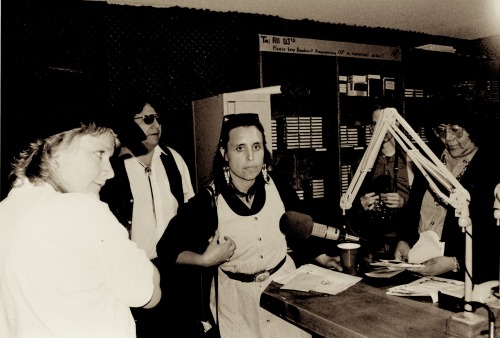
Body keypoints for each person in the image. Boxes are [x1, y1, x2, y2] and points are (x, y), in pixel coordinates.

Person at [159, 113, 342, 338]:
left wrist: (323, 258)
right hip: (237, 301)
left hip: (283, 289)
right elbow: (166, 248)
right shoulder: (208, 201)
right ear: (224, 153)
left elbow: (296, 230)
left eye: (257, 147)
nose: (250, 157)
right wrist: (204, 260)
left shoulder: (280, 187)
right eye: (240, 148)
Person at [0, 122, 160, 338]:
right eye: (99, 153)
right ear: (54, 150)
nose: (110, 172)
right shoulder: (83, 210)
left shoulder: (7, 210)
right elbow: (149, 295)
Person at [99, 97, 195, 337]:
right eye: (148, 119)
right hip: (135, 272)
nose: (156, 126)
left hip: (176, 271)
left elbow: (190, 210)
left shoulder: (172, 159)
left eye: (158, 119)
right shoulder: (112, 168)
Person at [394, 99, 500, 283]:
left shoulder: (492, 168)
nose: (448, 138)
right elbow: (414, 207)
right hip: (419, 269)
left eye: (456, 131)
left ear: (474, 129)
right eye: (441, 130)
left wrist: (455, 262)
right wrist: (404, 240)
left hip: (463, 276)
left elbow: (492, 237)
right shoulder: (429, 159)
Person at [352, 103, 416, 261]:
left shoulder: (411, 160)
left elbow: (425, 205)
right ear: (370, 127)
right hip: (372, 243)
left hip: (406, 241)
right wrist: (361, 204)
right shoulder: (362, 162)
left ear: (397, 125)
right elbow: (351, 205)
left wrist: (403, 202)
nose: (380, 129)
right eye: (376, 124)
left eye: (385, 124)